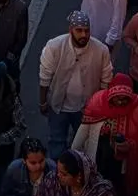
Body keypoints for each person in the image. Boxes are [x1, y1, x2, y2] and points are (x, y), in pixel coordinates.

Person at [37, 11, 112, 158]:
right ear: (70, 29)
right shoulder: (54, 46)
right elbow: (44, 77)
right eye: (79, 30)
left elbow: (106, 80)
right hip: (59, 105)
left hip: (87, 108)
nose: (83, 35)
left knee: (84, 148)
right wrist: (43, 102)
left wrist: (100, 108)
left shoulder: (101, 50)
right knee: (56, 143)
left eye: (86, 30)